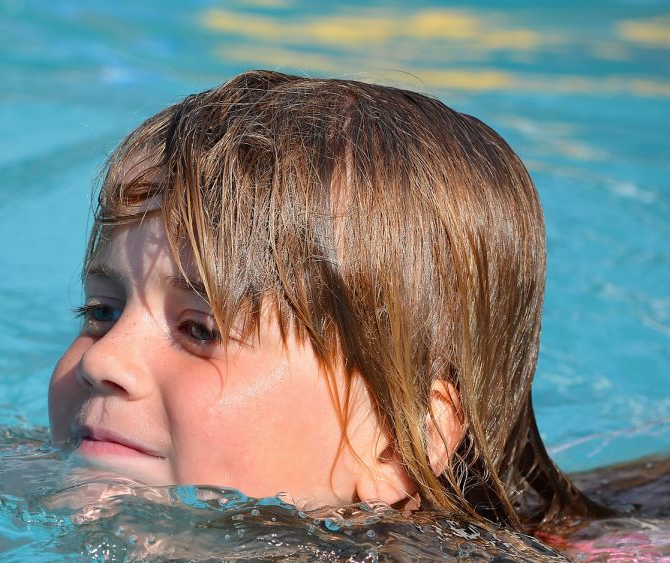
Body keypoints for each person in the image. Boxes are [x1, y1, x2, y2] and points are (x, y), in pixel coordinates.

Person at [47, 69, 605, 533]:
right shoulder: (17, 474)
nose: (103, 361)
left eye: (200, 330)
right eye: (101, 312)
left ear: (395, 441)